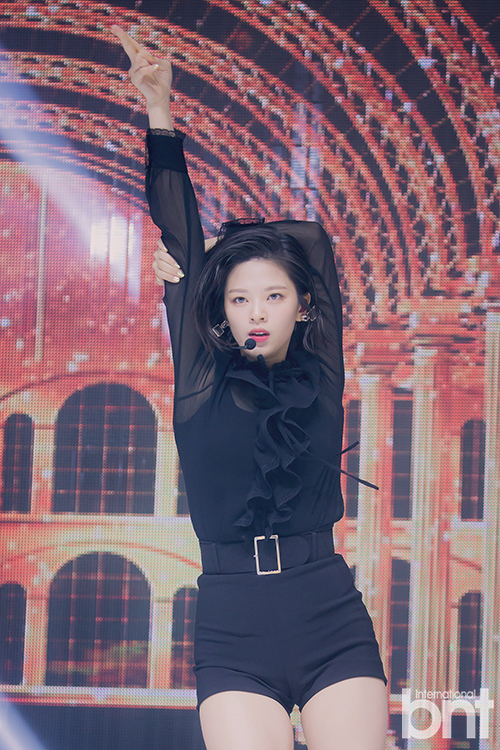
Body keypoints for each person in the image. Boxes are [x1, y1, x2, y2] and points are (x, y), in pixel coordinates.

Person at [111, 25, 389, 750]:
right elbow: (178, 231)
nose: (256, 312)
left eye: (272, 296)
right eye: (238, 299)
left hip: (328, 612)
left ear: (303, 306)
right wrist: (160, 111)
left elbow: (314, 242)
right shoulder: (201, 378)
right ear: (221, 311)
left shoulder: (320, 371)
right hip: (231, 626)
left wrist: (223, 251)